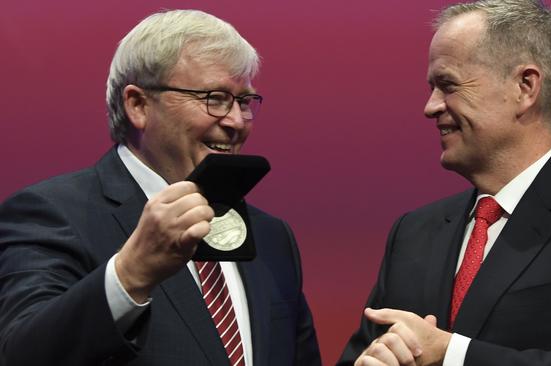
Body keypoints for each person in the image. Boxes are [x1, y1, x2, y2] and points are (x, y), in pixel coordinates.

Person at [0, 10, 321, 366]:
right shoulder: (49, 214)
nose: (234, 122)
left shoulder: (271, 236)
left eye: (244, 102)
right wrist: (131, 273)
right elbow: (20, 353)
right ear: (138, 105)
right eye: (214, 98)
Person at [338, 0, 551, 365]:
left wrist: (452, 354)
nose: (431, 106)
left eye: (448, 85)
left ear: (525, 86)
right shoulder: (413, 233)